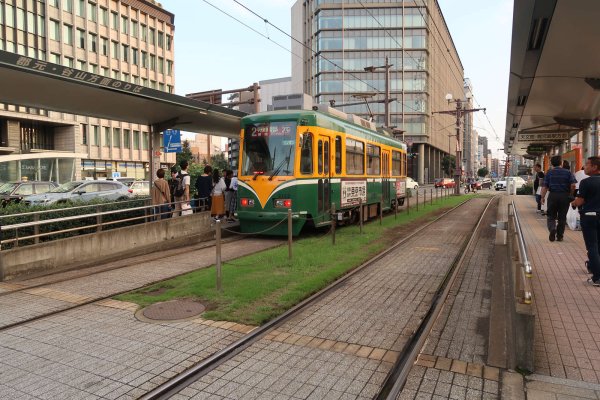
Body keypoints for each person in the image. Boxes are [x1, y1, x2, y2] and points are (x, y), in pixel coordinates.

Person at [571, 157, 600, 286]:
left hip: (590, 217)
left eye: (587, 164)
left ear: (594, 167)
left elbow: (580, 201)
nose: (585, 167)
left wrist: (573, 203)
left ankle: (597, 277)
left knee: (592, 247)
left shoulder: (586, 182)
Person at [541, 155, 576, 242]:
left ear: (552, 163)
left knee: (551, 215)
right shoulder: (568, 172)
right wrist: (571, 194)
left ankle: (552, 228)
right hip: (564, 196)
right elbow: (573, 185)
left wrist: (542, 197)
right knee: (562, 217)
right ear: (561, 162)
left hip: (553, 195)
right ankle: (560, 236)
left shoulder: (549, 172)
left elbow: (544, 187)